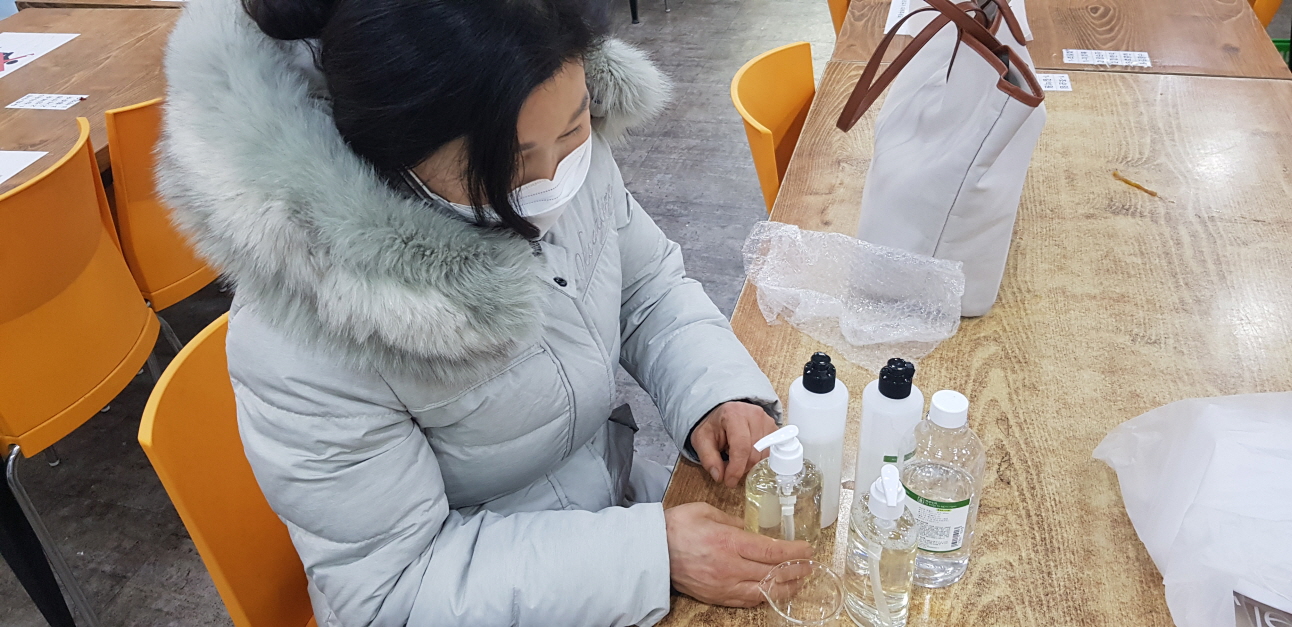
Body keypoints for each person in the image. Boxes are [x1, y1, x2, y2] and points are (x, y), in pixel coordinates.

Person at [158, 0, 813, 624]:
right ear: (394, 152)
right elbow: (395, 591)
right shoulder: (303, 338)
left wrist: (714, 391)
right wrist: (647, 556)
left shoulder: (546, 115)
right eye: (512, 166)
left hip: (612, 516)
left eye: (576, 128)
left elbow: (645, 286)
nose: (556, 182)